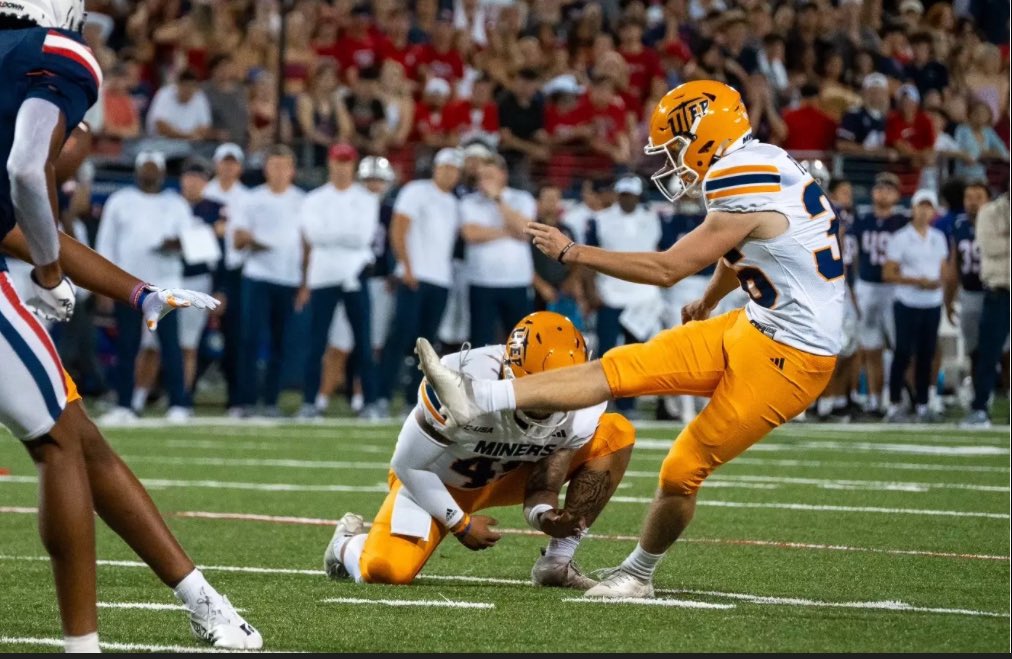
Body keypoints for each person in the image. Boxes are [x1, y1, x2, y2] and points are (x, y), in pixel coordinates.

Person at [418, 79, 844, 599]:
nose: (674, 159)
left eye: (677, 145)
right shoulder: (764, 159)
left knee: (681, 470)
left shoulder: (737, 176)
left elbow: (668, 268)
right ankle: (477, 397)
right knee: (616, 369)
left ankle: (639, 574)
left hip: (793, 357)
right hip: (753, 324)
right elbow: (743, 247)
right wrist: (710, 300)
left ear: (705, 133)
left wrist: (573, 253)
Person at [0, 125, 259, 652]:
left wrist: (139, 293)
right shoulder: (49, 87)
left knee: (79, 440)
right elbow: (30, 182)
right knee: (62, 442)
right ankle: (86, 646)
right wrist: (52, 274)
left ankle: (200, 598)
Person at [323, 312, 634, 588]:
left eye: (560, 396)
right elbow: (407, 465)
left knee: (615, 433)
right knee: (384, 571)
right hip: (439, 480)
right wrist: (460, 524)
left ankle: (557, 562)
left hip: (509, 475)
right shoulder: (459, 379)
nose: (549, 406)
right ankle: (346, 545)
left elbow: (544, 483)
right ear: (510, 373)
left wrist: (546, 518)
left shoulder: (583, 401)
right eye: (540, 396)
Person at [96, 151, 192, 423]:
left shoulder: (176, 204)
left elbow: (191, 241)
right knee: (127, 346)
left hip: (167, 285)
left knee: (170, 347)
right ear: (138, 171)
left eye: (154, 168)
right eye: (146, 168)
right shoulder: (120, 201)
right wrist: (104, 285)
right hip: (129, 284)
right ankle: (124, 404)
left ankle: (179, 404)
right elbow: (106, 244)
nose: (150, 173)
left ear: (162, 173)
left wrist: (176, 244)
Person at [376, 148, 463, 415]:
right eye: (445, 167)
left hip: (440, 280)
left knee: (427, 347)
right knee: (400, 337)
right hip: (414, 276)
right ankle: (381, 396)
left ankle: (415, 400)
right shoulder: (416, 191)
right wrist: (407, 267)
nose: (449, 173)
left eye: (454, 169)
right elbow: (398, 229)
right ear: (435, 168)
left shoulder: (454, 203)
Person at [297, 143, 380, 419]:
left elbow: (363, 237)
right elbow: (314, 235)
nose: (342, 168)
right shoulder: (314, 199)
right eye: (338, 162)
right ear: (330, 164)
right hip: (322, 276)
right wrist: (343, 237)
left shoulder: (366, 199)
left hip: (354, 274)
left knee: (363, 341)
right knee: (316, 341)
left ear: (353, 166)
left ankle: (369, 402)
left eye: (347, 162)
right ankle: (310, 402)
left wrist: (332, 236)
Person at [232, 144, 306, 417]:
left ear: (292, 170)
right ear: (265, 169)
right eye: (274, 166)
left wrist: (305, 282)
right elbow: (238, 239)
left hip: (289, 278)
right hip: (258, 276)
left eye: (284, 166)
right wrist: (253, 241)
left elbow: (308, 244)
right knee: (250, 339)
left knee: (281, 342)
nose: (278, 172)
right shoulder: (252, 199)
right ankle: (246, 400)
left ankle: (271, 400)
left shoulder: (302, 201)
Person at [585, 175, 662, 414]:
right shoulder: (600, 220)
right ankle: (600, 401)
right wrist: (591, 290)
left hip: (643, 296)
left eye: (631, 195)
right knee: (606, 352)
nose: (627, 199)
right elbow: (588, 258)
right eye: (623, 194)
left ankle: (628, 403)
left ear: (639, 196)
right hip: (610, 294)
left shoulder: (653, 218)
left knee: (636, 353)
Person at [882, 189, 951, 422]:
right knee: (902, 352)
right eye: (921, 206)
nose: (924, 211)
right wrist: (917, 281)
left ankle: (922, 404)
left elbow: (943, 269)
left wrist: (939, 284)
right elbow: (888, 273)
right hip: (907, 301)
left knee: (926, 354)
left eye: (928, 207)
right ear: (913, 209)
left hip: (931, 302)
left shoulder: (938, 237)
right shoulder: (900, 238)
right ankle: (893, 404)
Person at [460, 155, 536, 347]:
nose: (484, 181)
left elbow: (525, 231)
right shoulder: (469, 202)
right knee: (480, 343)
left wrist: (498, 200)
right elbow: (471, 234)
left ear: (503, 175)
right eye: (481, 176)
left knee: (520, 343)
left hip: (517, 282)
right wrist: (509, 231)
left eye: (489, 176)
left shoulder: (522, 198)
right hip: (481, 282)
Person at [851, 172, 907, 417]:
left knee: (900, 346)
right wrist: (854, 284)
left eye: (889, 188)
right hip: (867, 285)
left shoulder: (903, 221)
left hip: (895, 288)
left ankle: (897, 397)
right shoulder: (862, 219)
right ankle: (875, 399)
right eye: (879, 187)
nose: (883, 192)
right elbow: (853, 256)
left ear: (897, 195)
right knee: (870, 346)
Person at [202, 143, 248, 415]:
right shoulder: (205, 192)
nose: (228, 168)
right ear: (216, 164)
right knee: (194, 336)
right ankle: (182, 394)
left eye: (233, 163)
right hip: (204, 268)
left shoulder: (248, 197)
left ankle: (236, 398)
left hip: (236, 270)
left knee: (235, 336)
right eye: (224, 162)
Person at [962, 192, 1010, 427]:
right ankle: (980, 407)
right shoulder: (989, 212)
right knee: (988, 353)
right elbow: (989, 246)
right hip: (998, 291)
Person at [944, 182, 990, 393]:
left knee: (1004, 346)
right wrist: (948, 299)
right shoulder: (959, 224)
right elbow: (954, 265)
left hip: (997, 292)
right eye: (968, 197)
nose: (972, 202)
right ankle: (978, 390)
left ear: (988, 200)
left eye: (978, 197)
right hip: (970, 291)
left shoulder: (999, 221)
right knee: (973, 346)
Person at [145, 69, 212, 140]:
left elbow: (205, 127)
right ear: (177, 85)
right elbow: (160, 125)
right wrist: (185, 136)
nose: (188, 90)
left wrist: (189, 136)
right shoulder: (164, 94)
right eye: (185, 86)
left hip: (191, 143)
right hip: (163, 142)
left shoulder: (200, 96)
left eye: (192, 86)